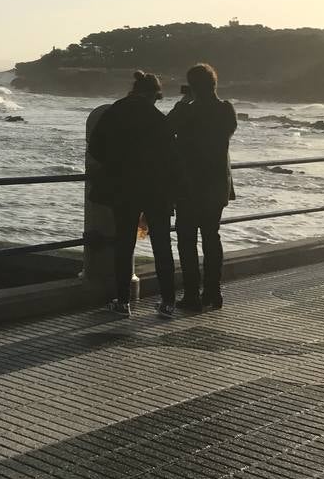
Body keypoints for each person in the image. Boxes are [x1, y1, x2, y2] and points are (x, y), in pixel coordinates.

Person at [89, 70, 180, 318]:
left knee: (124, 244)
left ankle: (123, 301)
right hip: (157, 190)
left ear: (134, 90)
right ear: (154, 95)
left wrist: (115, 163)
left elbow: (95, 146)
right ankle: (168, 302)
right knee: (162, 245)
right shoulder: (159, 119)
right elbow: (172, 158)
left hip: (124, 187)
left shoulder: (116, 111)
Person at [168, 63, 237, 312]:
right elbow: (226, 132)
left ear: (193, 87)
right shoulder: (226, 110)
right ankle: (213, 291)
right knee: (211, 237)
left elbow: (165, 129)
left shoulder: (187, 111)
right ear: (214, 84)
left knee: (187, 240)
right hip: (217, 185)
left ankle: (191, 295)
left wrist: (182, 104)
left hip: (189, 185)